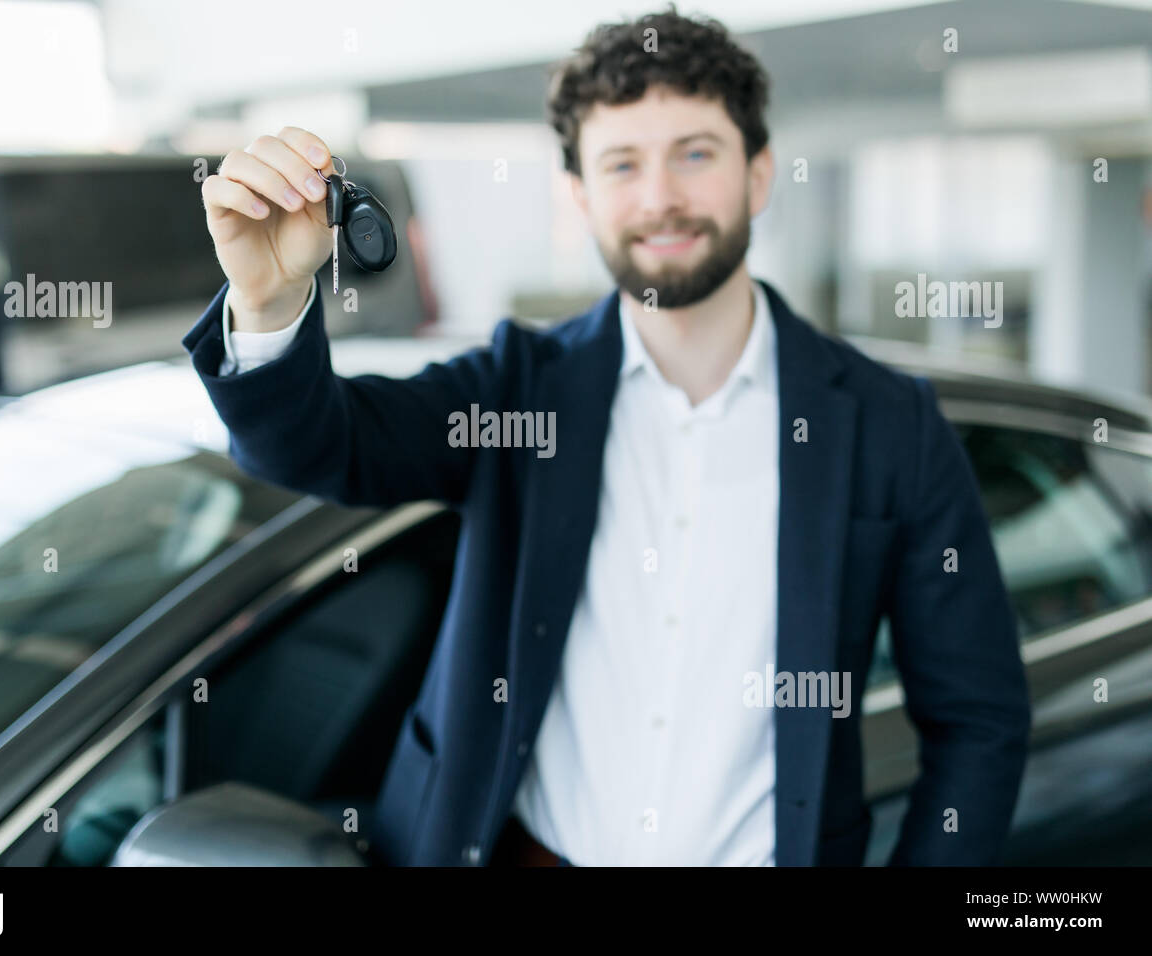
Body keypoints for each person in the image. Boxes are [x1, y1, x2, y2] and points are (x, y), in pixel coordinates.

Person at [182, 6, 1031, 866]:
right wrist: (268, 300)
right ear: (581, 194)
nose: (660, 196)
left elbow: (979, 720)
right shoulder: (518, 386)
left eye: (695, 154)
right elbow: (317, 449)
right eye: (623, 163)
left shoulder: (890, 424)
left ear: (760, 173)